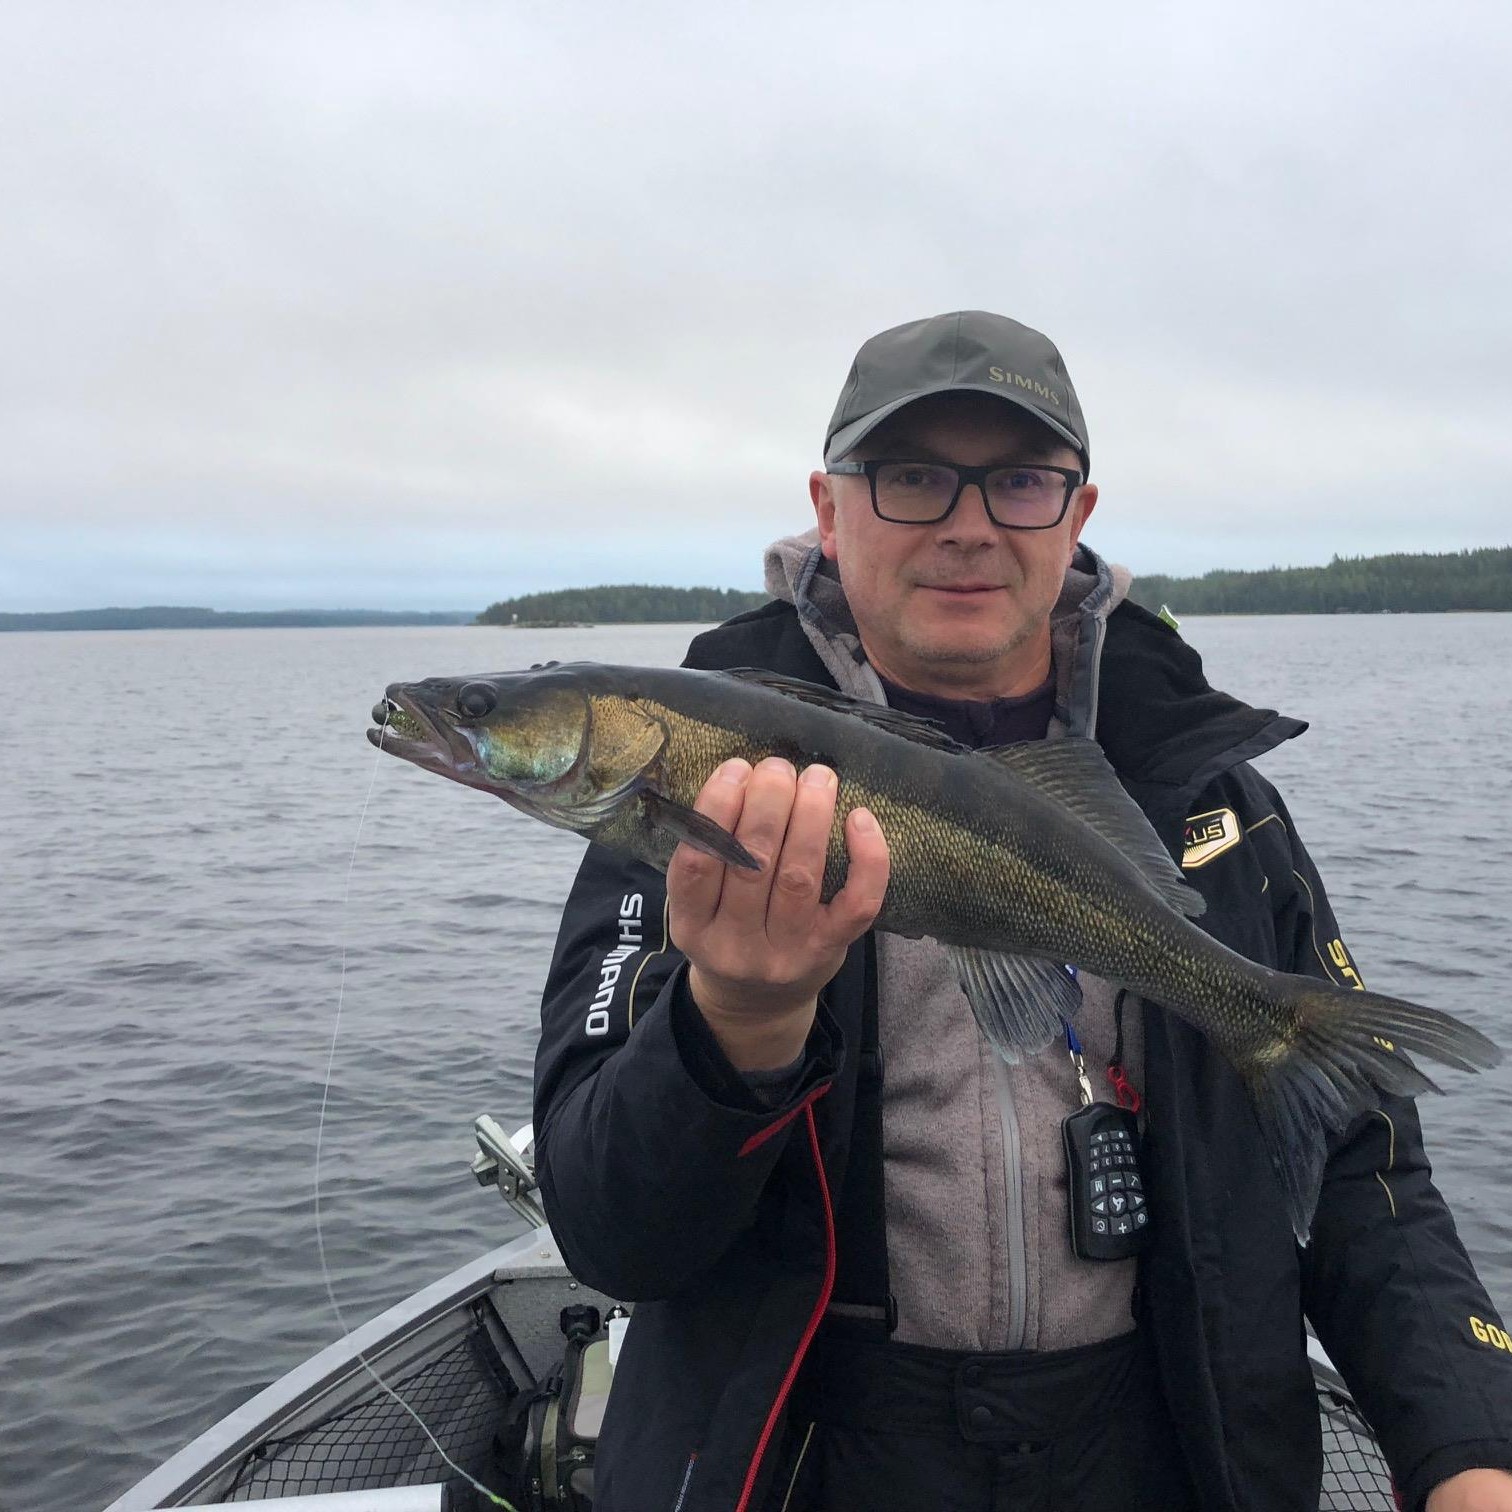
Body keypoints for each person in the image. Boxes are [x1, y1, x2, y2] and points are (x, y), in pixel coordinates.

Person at [532, 311, 1512, 1511]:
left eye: (1021, 483)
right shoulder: (710, 795)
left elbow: (1365, 1170)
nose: (968, 525)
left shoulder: (1217, 806)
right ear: (829, 511)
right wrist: (733, 1023)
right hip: (815, 1459)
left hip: (1161, 1446)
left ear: (1078, 517)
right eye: (913, 478)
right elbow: (609, 1229)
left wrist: (1467, 1450)